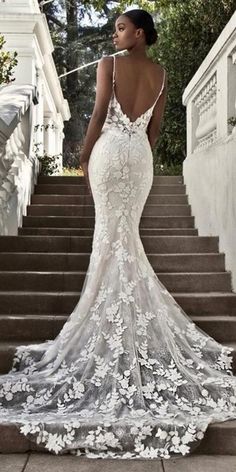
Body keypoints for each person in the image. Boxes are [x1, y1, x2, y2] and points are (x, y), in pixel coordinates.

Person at [0, 8, 236, 461]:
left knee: (110, 241)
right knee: (125, 241)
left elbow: (95, 117)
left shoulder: (110, 66)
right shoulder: (162, 73)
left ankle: (110, 322)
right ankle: (120, 323)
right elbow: (155, 129)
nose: (114, 35)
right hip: (138, 160)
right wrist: (135, 154)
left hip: (110, 153)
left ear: (140, 32)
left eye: (121, 28)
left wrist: (87, 158)